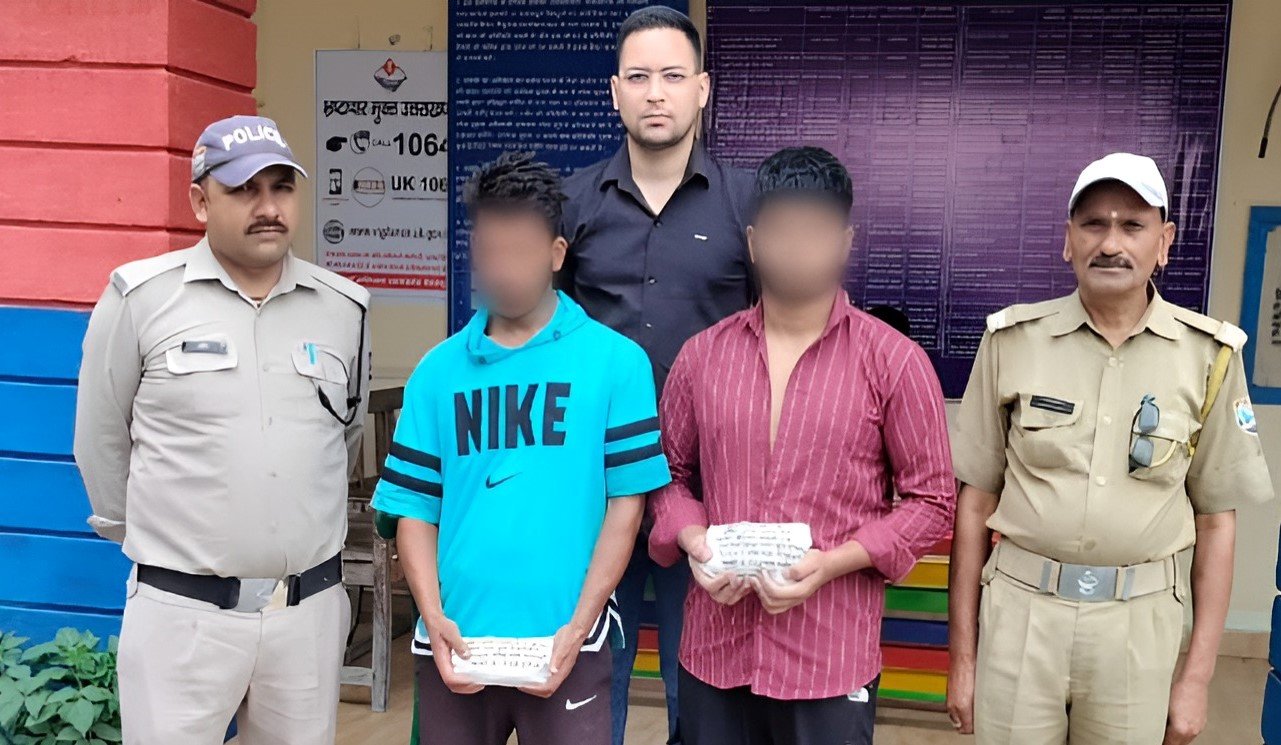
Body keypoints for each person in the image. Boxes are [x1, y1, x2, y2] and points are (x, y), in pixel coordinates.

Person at [947, 152, 1274, 745]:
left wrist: (1196, 678)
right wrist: (963, 659)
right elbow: (974, 504)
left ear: (1164, 242)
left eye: (1132, 225)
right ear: (1068, 239)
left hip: (1137, 627)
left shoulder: (1209, 356)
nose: (1111, 243)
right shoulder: (1011, 342)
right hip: (1021, 617)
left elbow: (1216, 523)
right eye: (1094, 224)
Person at [74, 115, 370, 744]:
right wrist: (166, 544)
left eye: (282, 188)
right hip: (182, 616)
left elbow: (339, 442)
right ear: (200, 202)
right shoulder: (140, 300)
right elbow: (100, 443)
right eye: (244, 190)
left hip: (306, 615)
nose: (269, 208)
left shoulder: (344, 309)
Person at [647, 146, 957, 745]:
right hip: (715, 646)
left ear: (844, 241)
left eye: (815, 230)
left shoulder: (894, 361)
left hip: (828, 654)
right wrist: (693, 539)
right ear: (754, 241)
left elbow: (933, 501)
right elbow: (668, 473)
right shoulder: (702, 357)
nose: (797, 246)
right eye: (782, 230)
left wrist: (835, 562)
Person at [372, 152, 672, 745]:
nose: (503, 268)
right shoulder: (436, 373)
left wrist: (579, 624)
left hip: (569, 642)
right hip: (456, 646)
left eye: (520, 250)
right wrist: (433, 617)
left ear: (557, 254)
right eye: (490, 251)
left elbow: (627, 505)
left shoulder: (616, 363)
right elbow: (414, 509)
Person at [558, 8, 756, 742]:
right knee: (586, 681)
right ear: (615, 92)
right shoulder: (571, 204)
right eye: (638, 77)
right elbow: (542, 342)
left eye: (673, 76)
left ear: (702, 89)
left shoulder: (748, 204)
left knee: (696, 688)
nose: (655, 93)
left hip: (710, 491)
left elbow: (776, 341)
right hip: (590, 486)